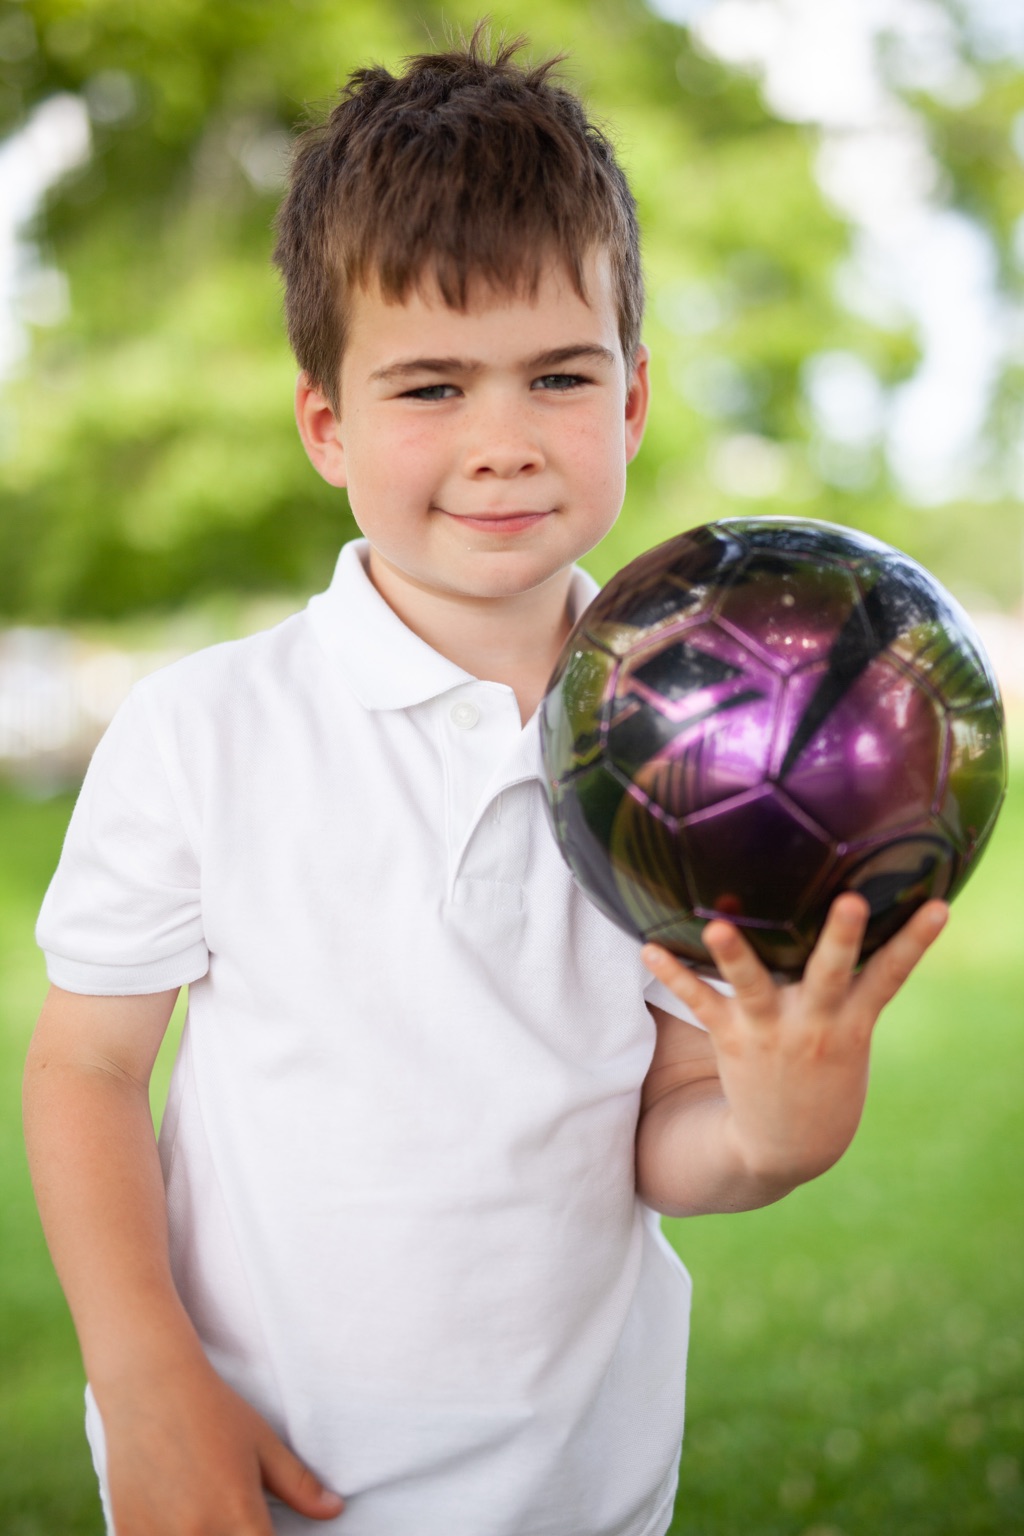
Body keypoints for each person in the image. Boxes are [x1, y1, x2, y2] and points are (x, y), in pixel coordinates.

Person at [22, 27, 948, 1536]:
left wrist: (783, 1129)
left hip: (573, 1495)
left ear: (635, 401)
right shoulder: (209, 728)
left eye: (558, 376)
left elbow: (664, 1125)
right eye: (432, 387)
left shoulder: (693, 763)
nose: (505, 443)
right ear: (327, 423)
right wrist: (145, 1377)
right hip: (247, 1476)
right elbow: (87, 1071)